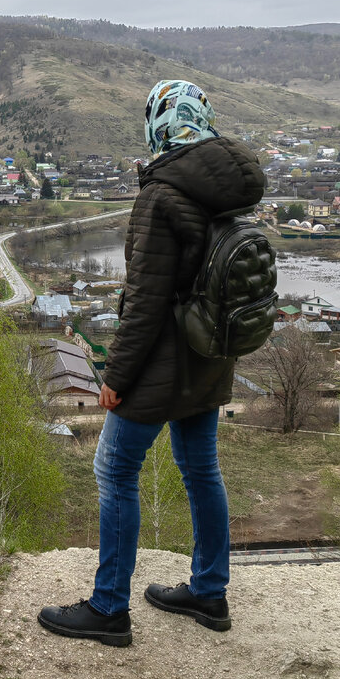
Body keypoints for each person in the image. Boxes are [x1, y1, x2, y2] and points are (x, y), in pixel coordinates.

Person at [38, 80, 266, 647]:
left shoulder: (161, 195)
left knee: (114, 474)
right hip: (209, 358)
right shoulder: (230, 189)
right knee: (201, 471)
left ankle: (110, 608)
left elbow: (143, 302)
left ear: (157, 125)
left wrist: (114, 377)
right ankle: (209, 593)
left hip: (158, 368)